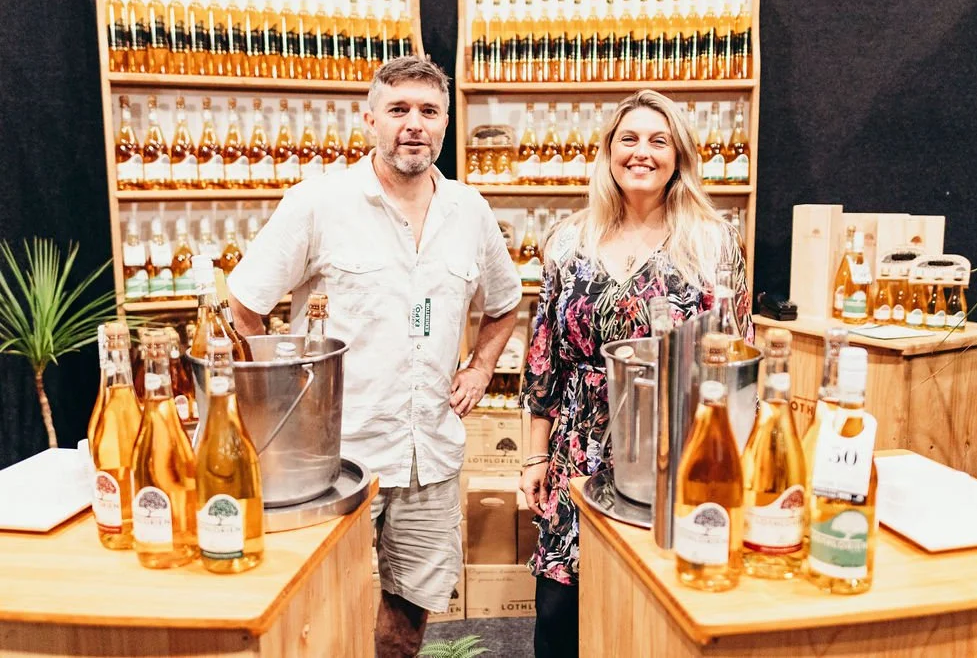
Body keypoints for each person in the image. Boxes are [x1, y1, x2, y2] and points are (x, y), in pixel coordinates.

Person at [227, 57, 522, 658]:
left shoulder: (470, 211)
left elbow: (506, 304)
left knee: (409, 615)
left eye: (428, 111)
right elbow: (245, 307)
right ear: (370, 121)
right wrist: (285, 409)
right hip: (332, 459)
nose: (413, 124)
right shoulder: (318, 203)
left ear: (444, 124)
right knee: (314, 610)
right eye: (398, 110)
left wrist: (480, 368)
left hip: (429, 454)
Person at [519, 90, 753, 657]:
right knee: (561, 615)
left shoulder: (713, 243)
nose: (641, 152)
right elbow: (544, 357)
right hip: (577, 453)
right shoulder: (570, 241)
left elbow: (736, 358)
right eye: (629, 139)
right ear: (608, 152)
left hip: (677, 452)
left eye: (658, 140)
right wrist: (532, 456)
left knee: (656, 611)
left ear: (679, 156)